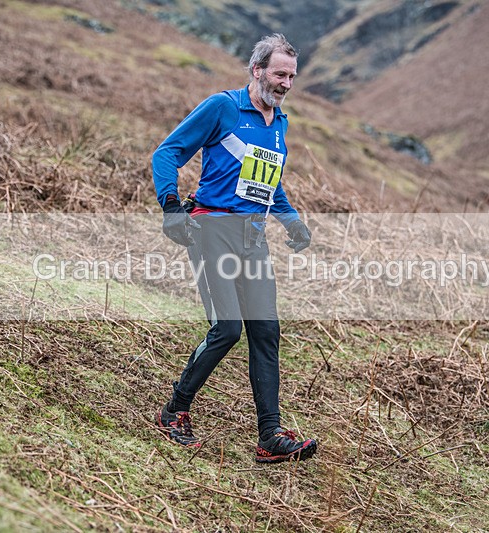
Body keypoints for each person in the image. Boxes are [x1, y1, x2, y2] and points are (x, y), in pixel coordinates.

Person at [151, 33, 316, 463]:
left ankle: (270, 437)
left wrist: (291, 220)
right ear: (257, 70)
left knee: (266, 331)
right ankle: (174, 411)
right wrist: (171, 207)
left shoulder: (279, 123)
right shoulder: (222, 107)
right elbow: (167, 153)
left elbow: (268, 182)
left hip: (253, 238)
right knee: (226, 328)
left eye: (292, 77)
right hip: (212, 230)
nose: (286, 84)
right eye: (279, 74)